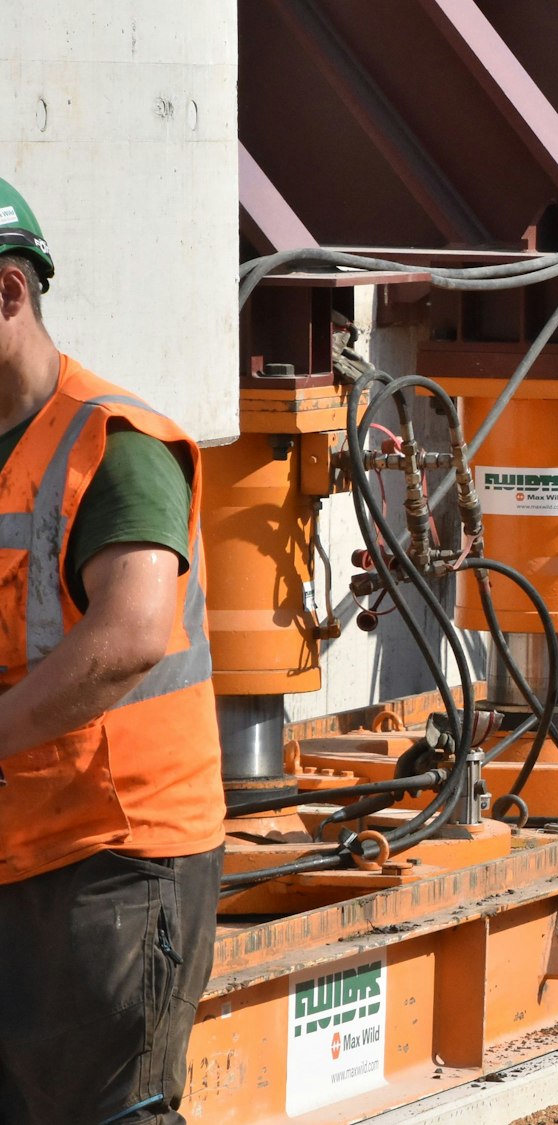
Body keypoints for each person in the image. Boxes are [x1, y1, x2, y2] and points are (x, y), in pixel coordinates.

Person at [0, 178, 223, 1124]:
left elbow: (132, 631)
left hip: (119, 859)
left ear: (8, 293)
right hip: (26, 849)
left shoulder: (114, 442)